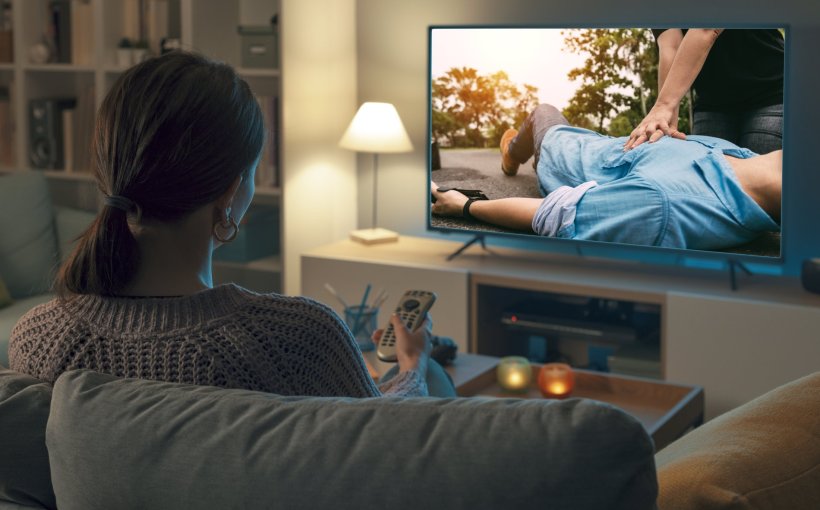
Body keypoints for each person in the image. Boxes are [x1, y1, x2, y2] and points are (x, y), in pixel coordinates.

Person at [10, 51, 454, 398]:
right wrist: (413, 365)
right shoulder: (299, 337)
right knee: (437, 377)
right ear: (230, 192)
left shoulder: (39, 340)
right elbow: (382, 444)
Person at [433, 104, 780, 251]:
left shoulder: (663, 203)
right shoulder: (740, 155)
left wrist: (465, 207)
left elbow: (549, 214)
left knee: (543, 112)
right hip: (604, 145)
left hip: (562, 151)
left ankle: (511, 155)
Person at [624, 29, 784, 154]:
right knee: (707, 178)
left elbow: (706, 29)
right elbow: (671, 47)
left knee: (756, 177)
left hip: (769, 92)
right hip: (713, 102)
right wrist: (665, 122)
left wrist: (664, 105)